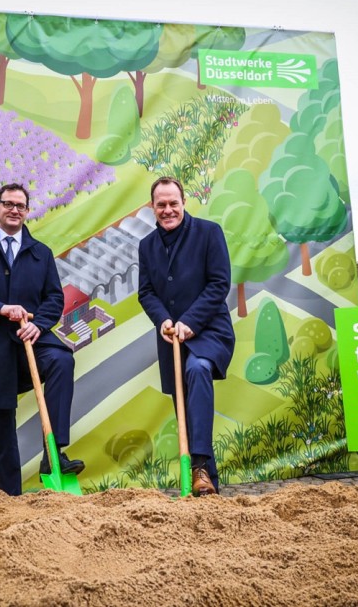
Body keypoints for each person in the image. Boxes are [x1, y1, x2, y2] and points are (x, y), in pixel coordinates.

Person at [0, 183, 84, 496]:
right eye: (8, 204)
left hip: (30, 344)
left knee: (62, 359)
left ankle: (54, 454)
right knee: (1, 429)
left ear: (27, 211)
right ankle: (11, 499)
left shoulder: (41, 253)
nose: (14, 210)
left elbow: (52, 297)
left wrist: (41, 325)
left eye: (21, 206)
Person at [138, 177, 235, 496]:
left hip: (210, 330)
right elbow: (147, 292)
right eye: (161, 204)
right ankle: (205, 481)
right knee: (184, 403)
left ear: (184, 202)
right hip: (170, 338)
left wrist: (190, 322)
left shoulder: (209, 233)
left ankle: (199, 469)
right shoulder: (146, 245)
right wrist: (164, 319)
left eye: (173, 203)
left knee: (198, 369)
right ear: (152, 207)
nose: (168, 210)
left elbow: (219, 284)